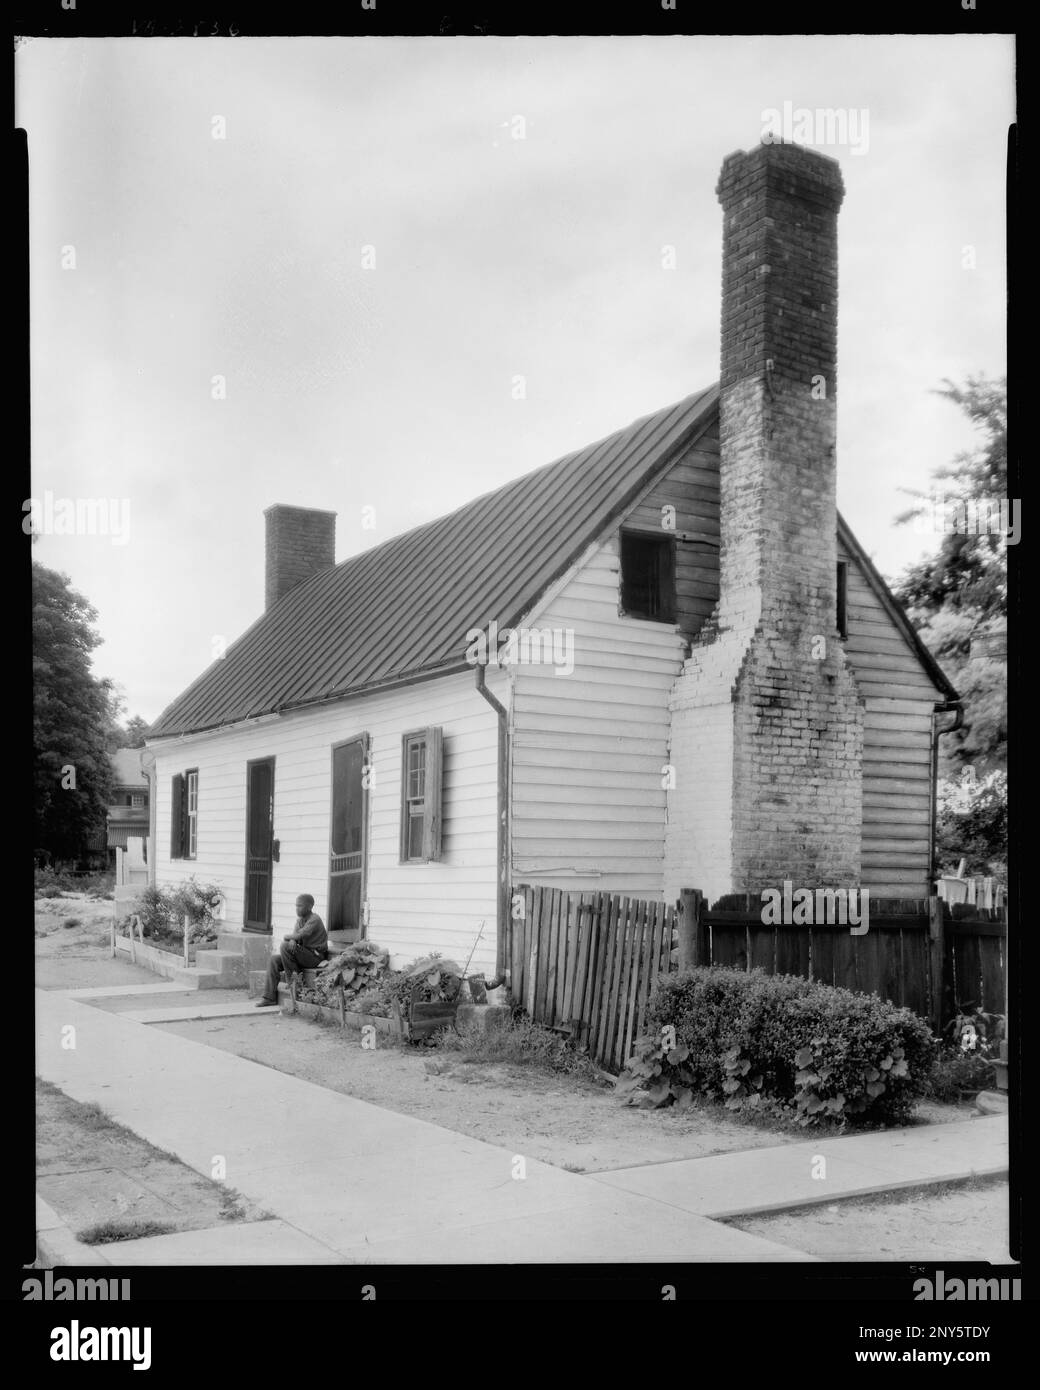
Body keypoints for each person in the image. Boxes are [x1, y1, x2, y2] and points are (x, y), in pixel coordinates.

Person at [256, 893, 328, 1005]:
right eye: (296, 906)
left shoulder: (315, 919)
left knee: (285, 946)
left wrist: (289, 938)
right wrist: (293, 939)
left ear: (309, 907)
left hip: (315, 958)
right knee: (274, 960)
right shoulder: (300, 920)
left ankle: (296, 986)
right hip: (303, 955)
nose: (297, 909)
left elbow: (299, 935)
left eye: (300, 906)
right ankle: (269, 997)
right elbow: (295, 936)